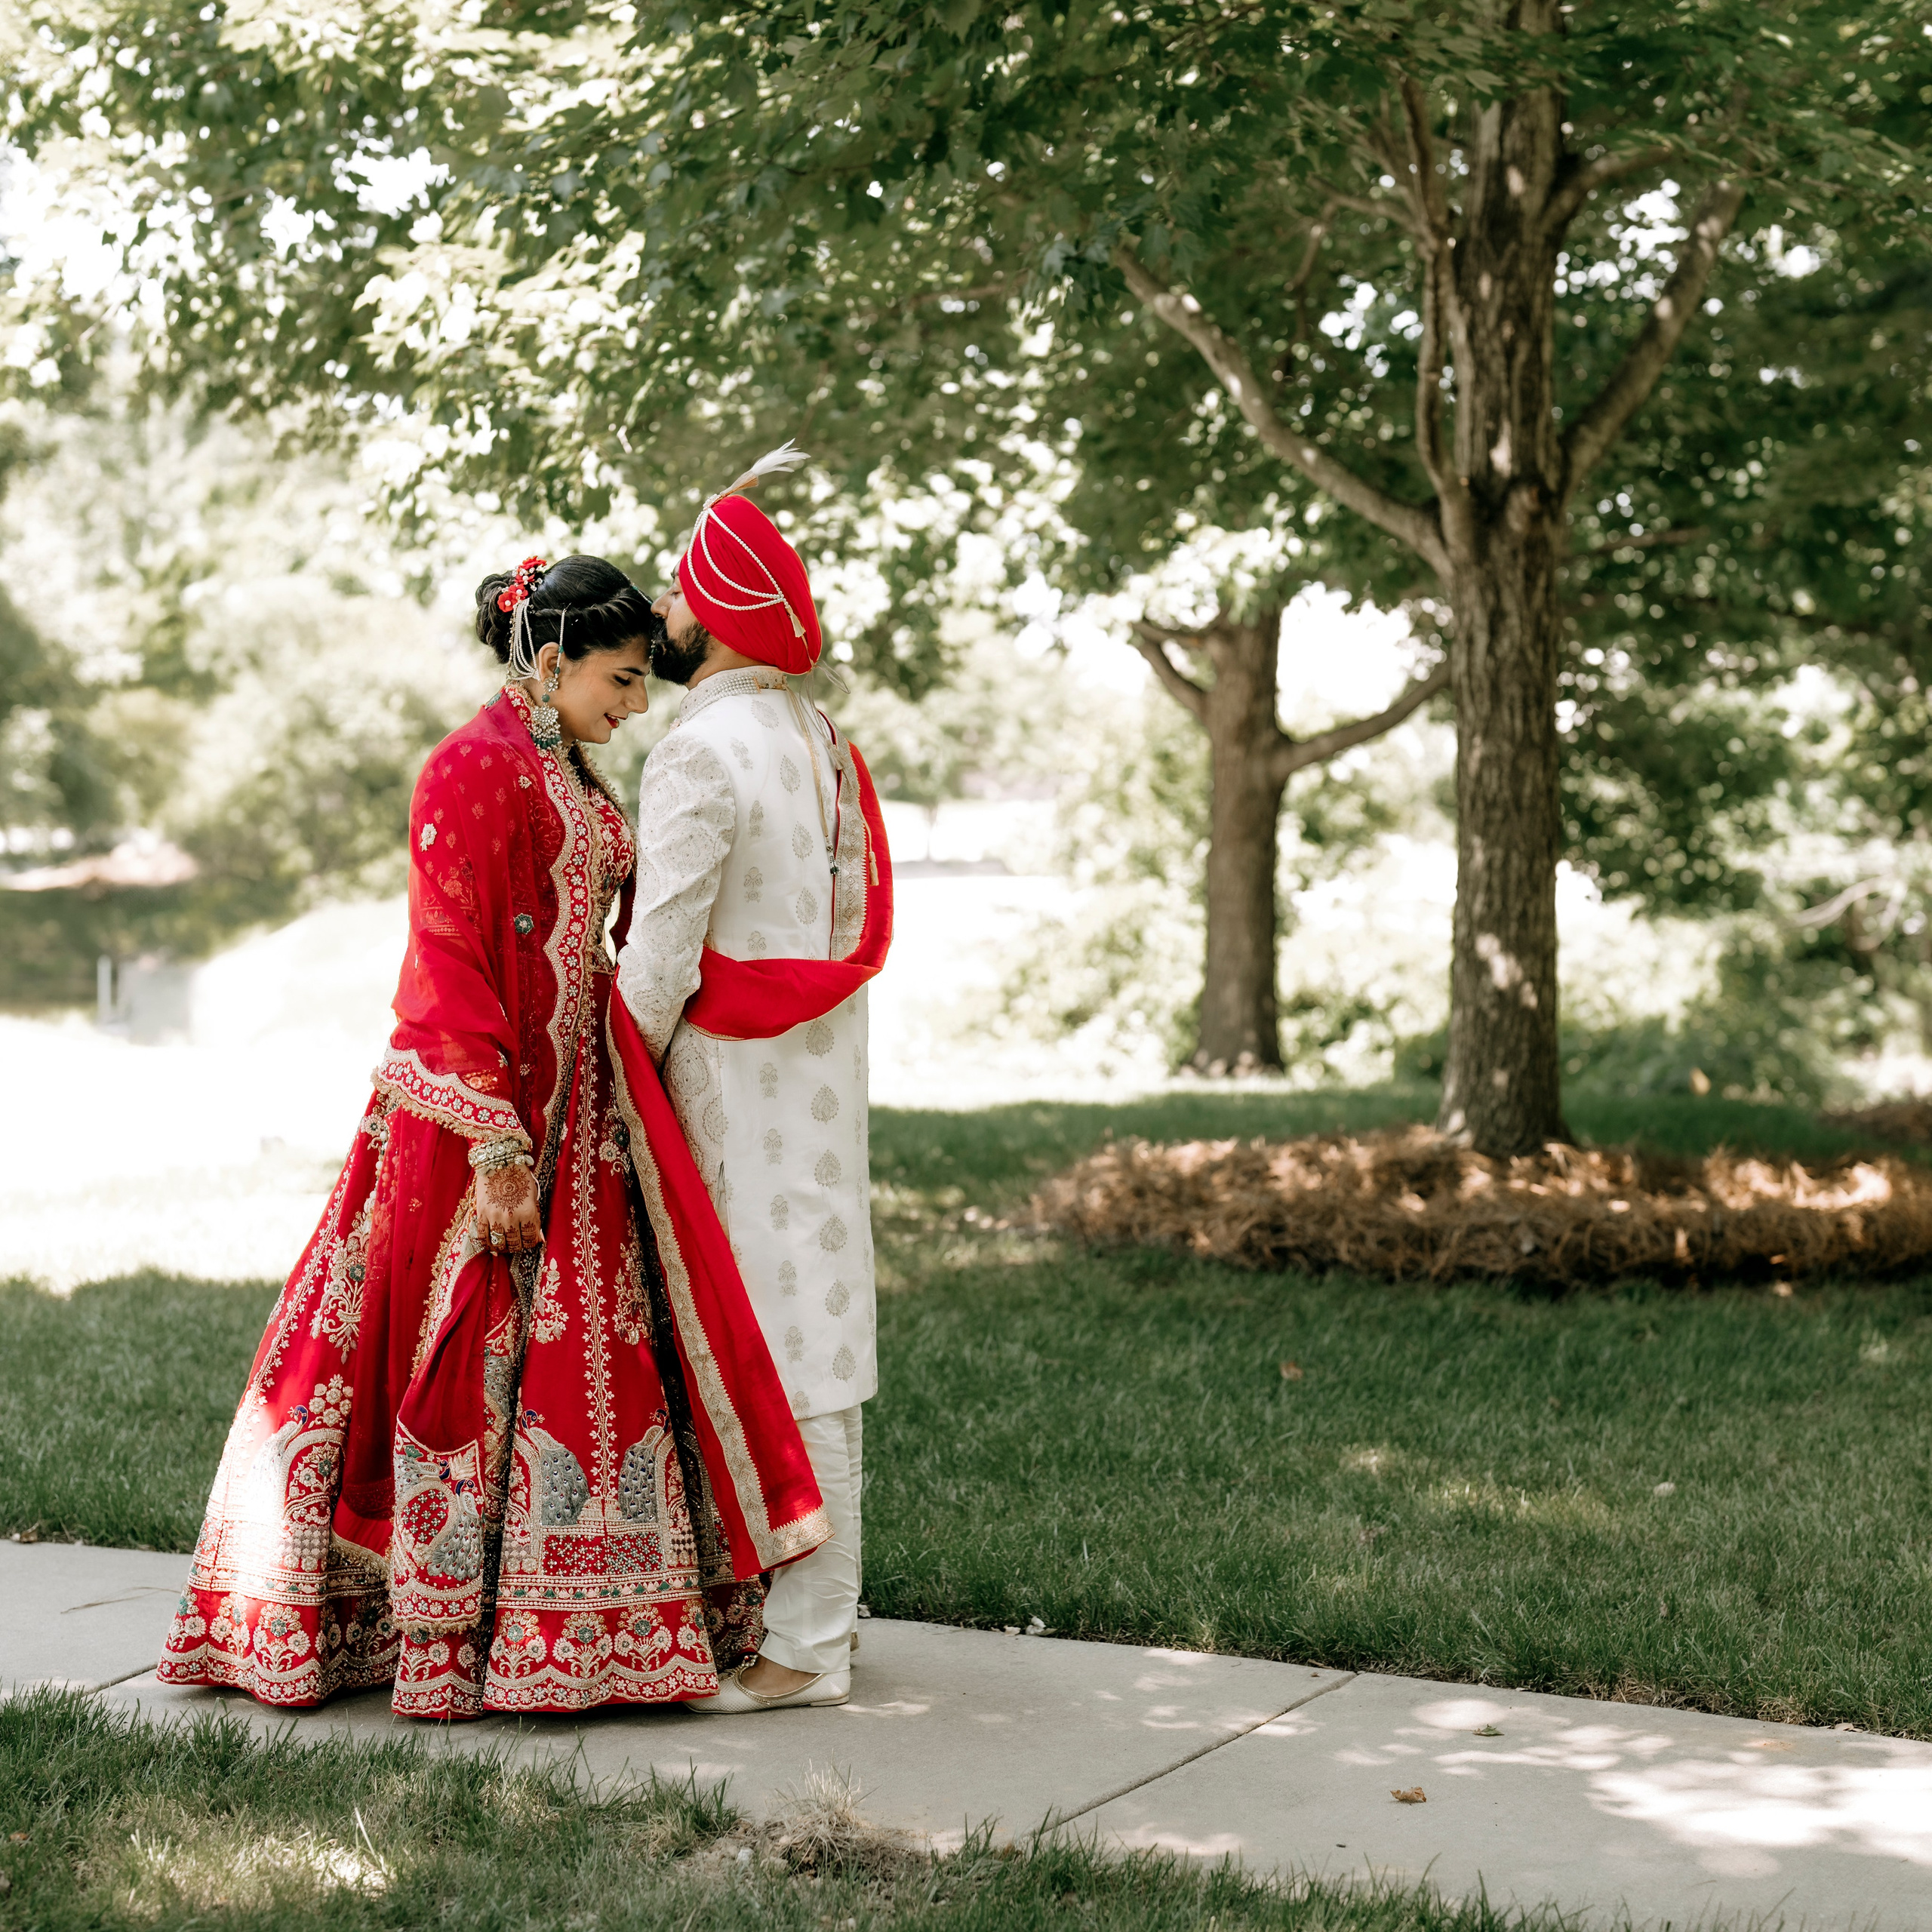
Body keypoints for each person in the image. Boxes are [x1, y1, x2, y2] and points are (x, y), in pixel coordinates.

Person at [159, 553, 830, 1720]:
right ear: (552, 660)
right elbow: (449, 954)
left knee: (584, 1361)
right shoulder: (472, 766)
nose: (637, 703)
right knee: (456, 1354)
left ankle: (588, 1621)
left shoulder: (560, 762)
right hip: (484, 1116)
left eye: (643, 681)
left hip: (583, 1108)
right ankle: (432, 1632)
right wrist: (497, 1143)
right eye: (621, 679)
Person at [617, 446, 893, 1714]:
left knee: (771, 1354)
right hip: (821, 1074)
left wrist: (605, 1071)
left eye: (679, 594)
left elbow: (660, 955)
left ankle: (808, 1649)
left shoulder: (697, 751)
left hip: (728, 1087)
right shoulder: (823, 743)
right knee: (818, 1340)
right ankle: (817, 1626)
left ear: (718, 611)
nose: (664, 615)